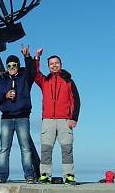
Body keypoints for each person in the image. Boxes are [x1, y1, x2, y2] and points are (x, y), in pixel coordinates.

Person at [32, 48, 80, 185]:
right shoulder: (44, 81)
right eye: (51, 64)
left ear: (61, 64)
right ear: (48, 66)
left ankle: (69, 176)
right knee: (46, 149)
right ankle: (45, 175)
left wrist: (74, 118)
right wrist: (37, 58)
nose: (54, 65)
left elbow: (76, 100)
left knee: (67, 149)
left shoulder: (69, 81)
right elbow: (35, 74)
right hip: (48, 120)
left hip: (65, 120)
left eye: (56, 63)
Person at [0, 48, 36, 183]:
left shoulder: (24, 78)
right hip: (6, 118)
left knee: (25, 148)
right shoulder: (2, 81)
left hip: (22, 117)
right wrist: (5, 95)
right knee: (4, 148)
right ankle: (2, 175)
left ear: (18, 66)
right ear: (6, 67)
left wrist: (27, 57)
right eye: (9, 65)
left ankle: (29, 175)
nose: (12, 68)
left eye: (14, 65)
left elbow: (32, 72)